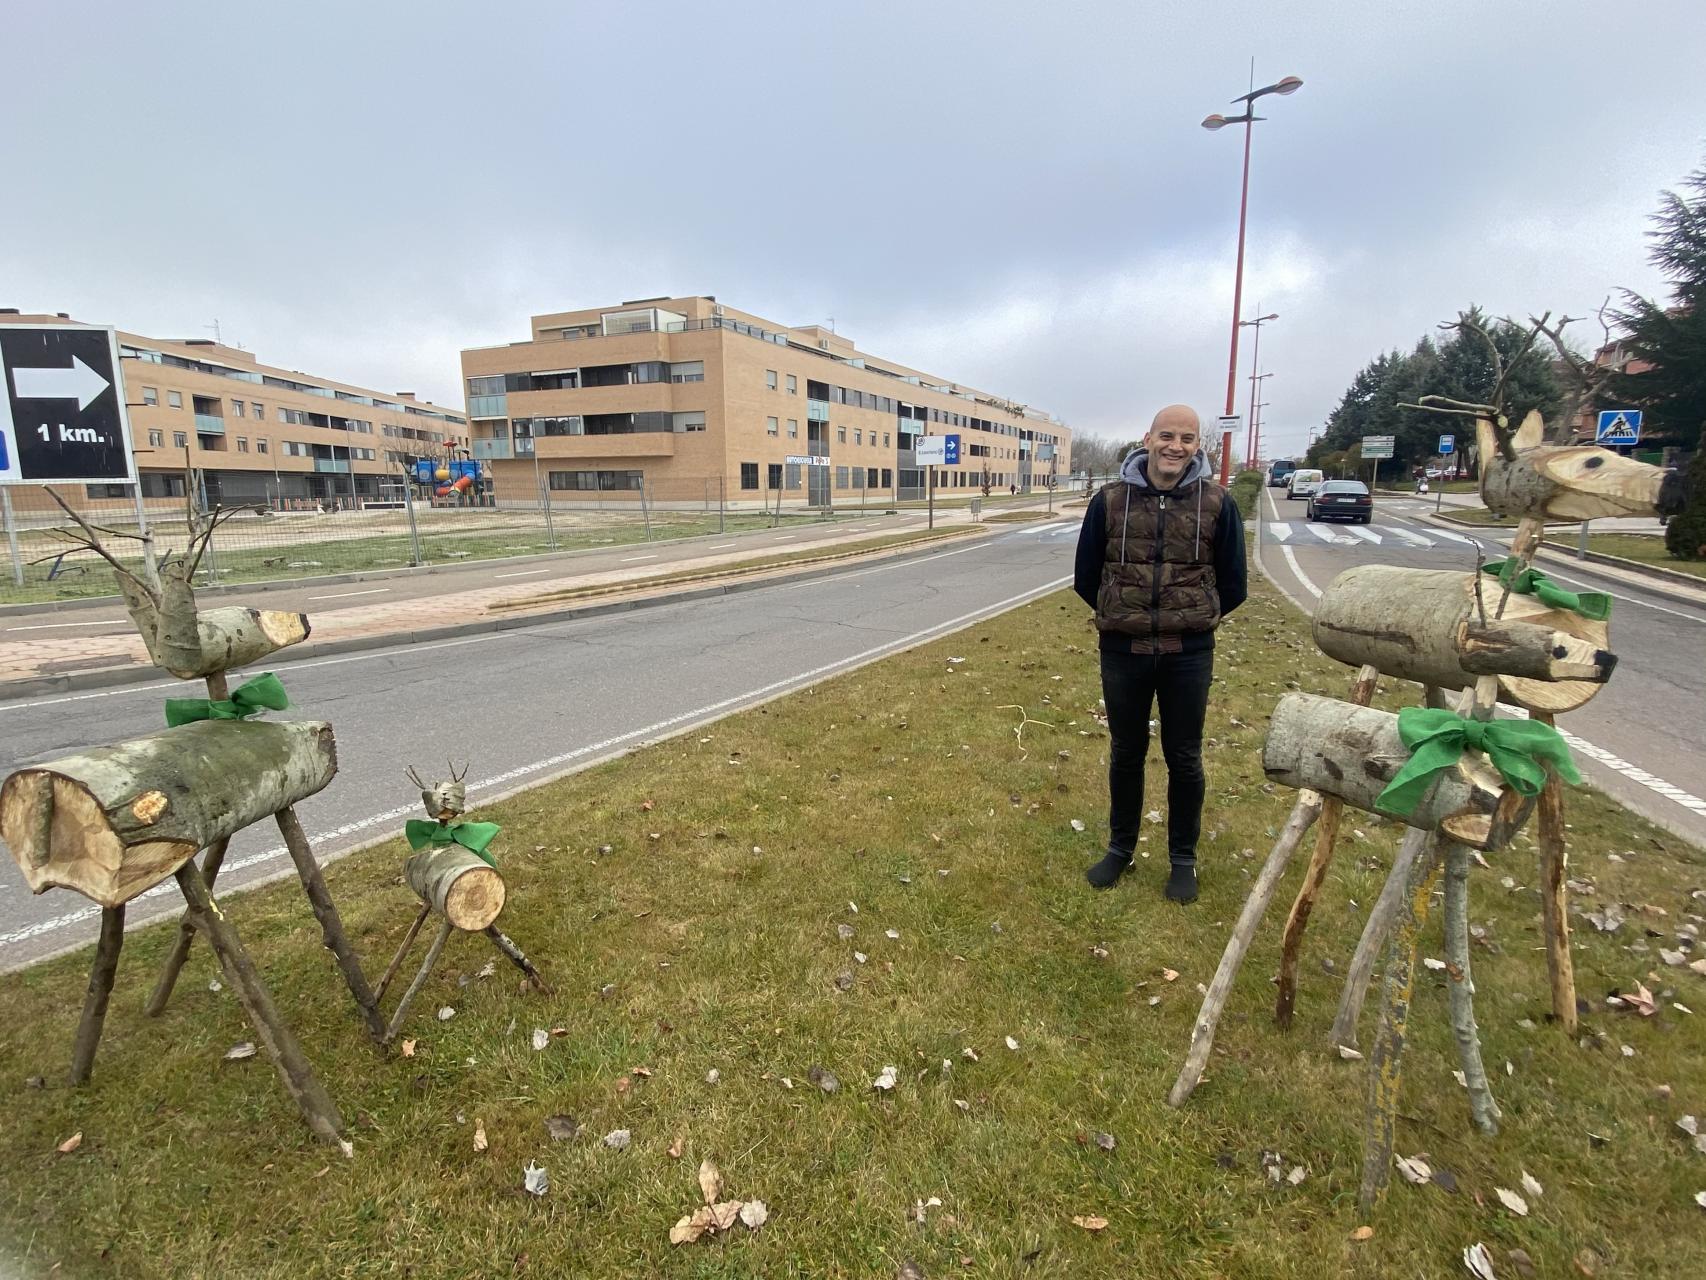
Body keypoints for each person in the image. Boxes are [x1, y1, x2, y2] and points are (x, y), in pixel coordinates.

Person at [1072, 405, 1248, 903]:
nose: (1176, 446)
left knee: (1184, 757)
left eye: (1187, 438)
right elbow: (1087, 577)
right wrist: (1123, 614)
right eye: (1167, 436)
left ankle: (1183, 860)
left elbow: (1233, 584)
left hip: (1187, 654)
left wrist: (1192, 620)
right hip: (1123, 651)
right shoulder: (1108, 502)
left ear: (1198, 446)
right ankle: (1120, 850)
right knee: (1126, 754)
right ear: (1148, 438)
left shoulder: (1217, 504)